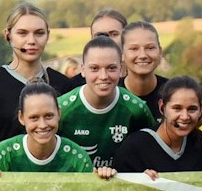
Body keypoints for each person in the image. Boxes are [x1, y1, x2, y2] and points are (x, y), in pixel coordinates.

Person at [0, 2, 80, 159]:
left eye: (39, 33)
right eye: (22, 33)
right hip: (2, 179)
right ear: (8, 35)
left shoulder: (62, 84)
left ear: (47, 35)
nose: (31, 40)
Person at [56, 36, 157, 168]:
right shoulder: (61, 108)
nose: (103, 76)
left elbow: (151, 151)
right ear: (83, 70)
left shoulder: (136, 108)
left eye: (111, 68)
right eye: (94, 68)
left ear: (121, 69)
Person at [120, 20, 167, 118]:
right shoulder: (110, 95)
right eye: (134, 49)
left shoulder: (173, 93)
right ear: (122, 54)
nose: (142, 55)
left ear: (160, 52)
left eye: (150, 48)